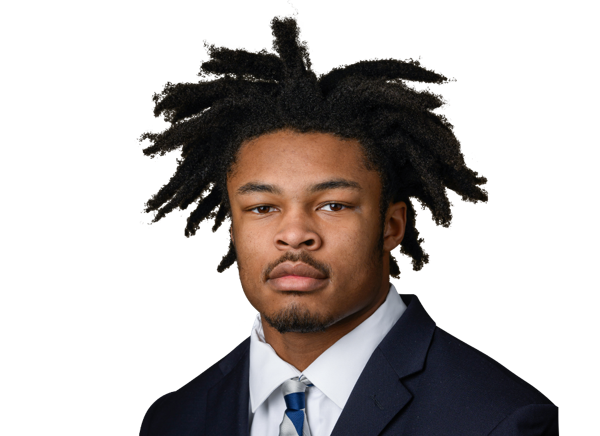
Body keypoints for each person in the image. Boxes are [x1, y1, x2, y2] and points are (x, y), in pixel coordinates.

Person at [136, 10, 558, 436]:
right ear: (233, 227)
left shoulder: (500, 422)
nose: (294, 234)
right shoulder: (171, 421)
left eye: (333, 205)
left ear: (391, 226)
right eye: (262, 208)